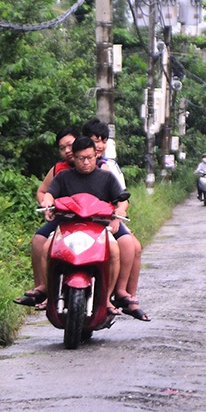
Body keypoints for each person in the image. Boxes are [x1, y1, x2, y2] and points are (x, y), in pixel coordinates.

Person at [28, 135, 126, 315]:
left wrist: (119, 213)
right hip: (67, 226)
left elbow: (122, 200)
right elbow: (49, 194)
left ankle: (106, 300)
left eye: (90, 157)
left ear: (96, 155)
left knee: (114, 251)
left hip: (99, 227)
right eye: (81, 158)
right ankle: (50, 295)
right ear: (74, 157)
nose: (86, 162)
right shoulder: (64, 176)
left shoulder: (107, 177)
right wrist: (47, 203)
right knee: (46, 248)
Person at [79, 119, 147, 318]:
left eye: (103, 141)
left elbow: (122, 197)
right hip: (79, 218)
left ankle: (124, 293)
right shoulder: (70, 166)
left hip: (107, 218)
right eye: (94, 140)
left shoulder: (109, 168)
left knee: (132, 246)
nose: (99, 145)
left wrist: (118, 216)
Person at [20, 132, 76, 307]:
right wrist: (47, 206)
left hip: (93, 220)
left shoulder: (98, 166)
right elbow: (42, 192)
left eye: (70, 145)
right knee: (38, 240)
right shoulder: (59, 169)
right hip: (62, 218)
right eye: (62, 148)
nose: (67, 150)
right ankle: (42, 288)